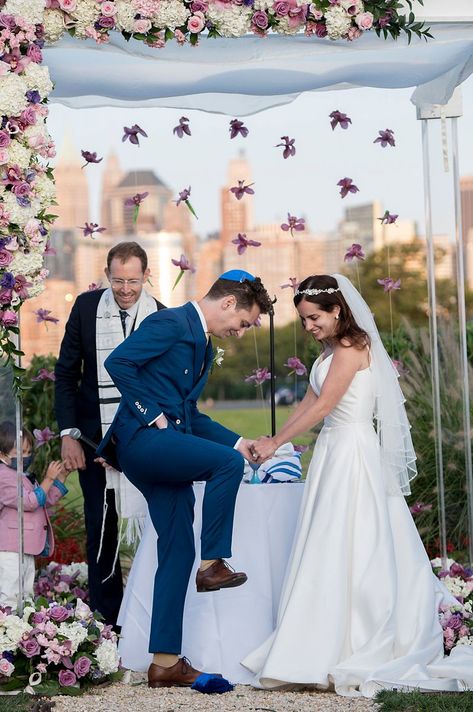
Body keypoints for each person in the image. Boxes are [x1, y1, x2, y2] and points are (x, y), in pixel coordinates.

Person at [242, 274, 473, 697]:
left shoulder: (351, 347)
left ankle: (353, 639)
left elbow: (329, 404)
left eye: (314, 318)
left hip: (352, 453)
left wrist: (276, 442)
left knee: (351, 538)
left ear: (337, 310)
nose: (308, 327)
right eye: (304, 319)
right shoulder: (331, 350)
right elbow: (313, 400)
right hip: (332, 452)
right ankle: (313, 641)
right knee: (326, 539)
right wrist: (274, 442)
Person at [97, 269, 272, 688]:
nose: (241, 331)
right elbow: (117, 362)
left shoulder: (203, 345)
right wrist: (150, 413)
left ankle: (164, 662)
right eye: (244, 323)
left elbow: (190, 415)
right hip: (143, 442)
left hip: (168, 448)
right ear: (229, 303)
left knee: (177, 552)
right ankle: (213, 564)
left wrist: (239, 441)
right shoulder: (171, 322)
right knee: (225, 468)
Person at [54, 241, 165, 628]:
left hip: (144, 439)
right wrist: (70, 433)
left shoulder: (161, 316)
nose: (125, 289)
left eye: (133, 280)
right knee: (100, 527)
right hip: (89, 438)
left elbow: (164, 387)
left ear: (146, 276)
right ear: (107, 274)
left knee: (157, 523)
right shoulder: (85, 308)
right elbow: (66, 374)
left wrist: (127, 437)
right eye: (117, 280)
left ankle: (152, 614)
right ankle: (107, 619)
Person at [0, 421, 69, 609]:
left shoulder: (22, 475)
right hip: (10, 547)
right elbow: (28, 503)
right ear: (2, 455)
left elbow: (42, 501)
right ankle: (6, 631)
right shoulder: (3, 476)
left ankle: (21, 632)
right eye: (19, 453)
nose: (25, 457)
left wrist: (61, 478)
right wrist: (48, 479)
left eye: (28, 452)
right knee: (10, 595)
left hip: (25, 546)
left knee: (25, 594)